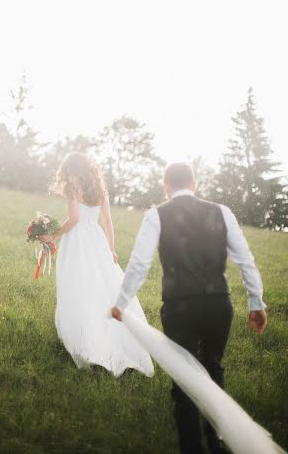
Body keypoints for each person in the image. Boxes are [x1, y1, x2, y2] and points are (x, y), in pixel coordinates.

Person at [111, 162, 267, 454]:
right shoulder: (223, 212)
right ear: (194, 184)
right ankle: (217, 444)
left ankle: (192, 448)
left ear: (165, 186)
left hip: (179, 307)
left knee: (183, 382)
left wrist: (121, 303)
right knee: (213, 369)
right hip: (218, 305)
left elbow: (139, 264)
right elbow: (246, 260)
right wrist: (256, 302)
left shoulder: (156, 215)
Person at [39, 152, 154, 378]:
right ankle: (116, 341)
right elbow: (108, 221)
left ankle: (89, 343)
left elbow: (74, 219)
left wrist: (53, 234)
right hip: (97, 240)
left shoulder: (73, 186)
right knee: (103, 288)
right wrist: (111, 249)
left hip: (78, 241)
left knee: (79, 287)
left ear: (71, 169)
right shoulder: (99, 189)